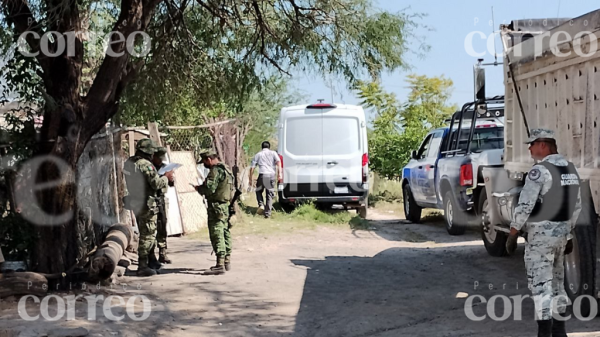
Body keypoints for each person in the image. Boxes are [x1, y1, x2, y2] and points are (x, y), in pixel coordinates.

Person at [505, 128, 582, 337]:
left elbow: (525, 206)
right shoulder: (571, 170)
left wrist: (512, 234)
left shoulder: (539, 171)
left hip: (540, 239)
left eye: (531, 144)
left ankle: (544, 334)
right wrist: (567, 234)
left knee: (541, 287)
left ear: (542, 145)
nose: (529, 149)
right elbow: (576, 207)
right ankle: (560, 332)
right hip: (560, 236)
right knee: (557, 285)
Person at [124, 139, 174, 277]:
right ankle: (143, 265)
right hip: (147, 204)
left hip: (136, 201)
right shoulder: (145, 165)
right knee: (148, 235)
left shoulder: (129, 163)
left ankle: (151, 260)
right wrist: (166, 177)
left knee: (145, 231)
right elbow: (156, 184)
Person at [196, 150, 234, 274]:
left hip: (216, 207)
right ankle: (226, 261)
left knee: (217, 232)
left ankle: (219, 264)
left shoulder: (215, 171)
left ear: (209, 159)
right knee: (225, 232)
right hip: (225, 206)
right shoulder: (227, 169)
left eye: (205, 162)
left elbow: (209, 189)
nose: (204, 165)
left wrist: (199, 188)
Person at [151, 147, 174, 264]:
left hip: (161, 198)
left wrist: (170, 177)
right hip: (150, 200)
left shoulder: (165, 167)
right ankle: (150, 255)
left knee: (162, 225)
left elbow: (171, 184)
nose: (160, 161)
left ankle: (162, 252)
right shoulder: (149, 167)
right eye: (158, 158)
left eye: (161, 159)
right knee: (150, 228)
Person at [248, 141, 281, 218]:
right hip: (271, 175)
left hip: (262, 175)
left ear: (262, 147)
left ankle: (261, 204)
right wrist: (280, 173)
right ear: (269, 147)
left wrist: (250, 178)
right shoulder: (273, 153)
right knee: (269, 194)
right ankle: (267, 214)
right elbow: (279, 162)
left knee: (258, 190)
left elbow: (252, 167)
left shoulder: (258, 155)